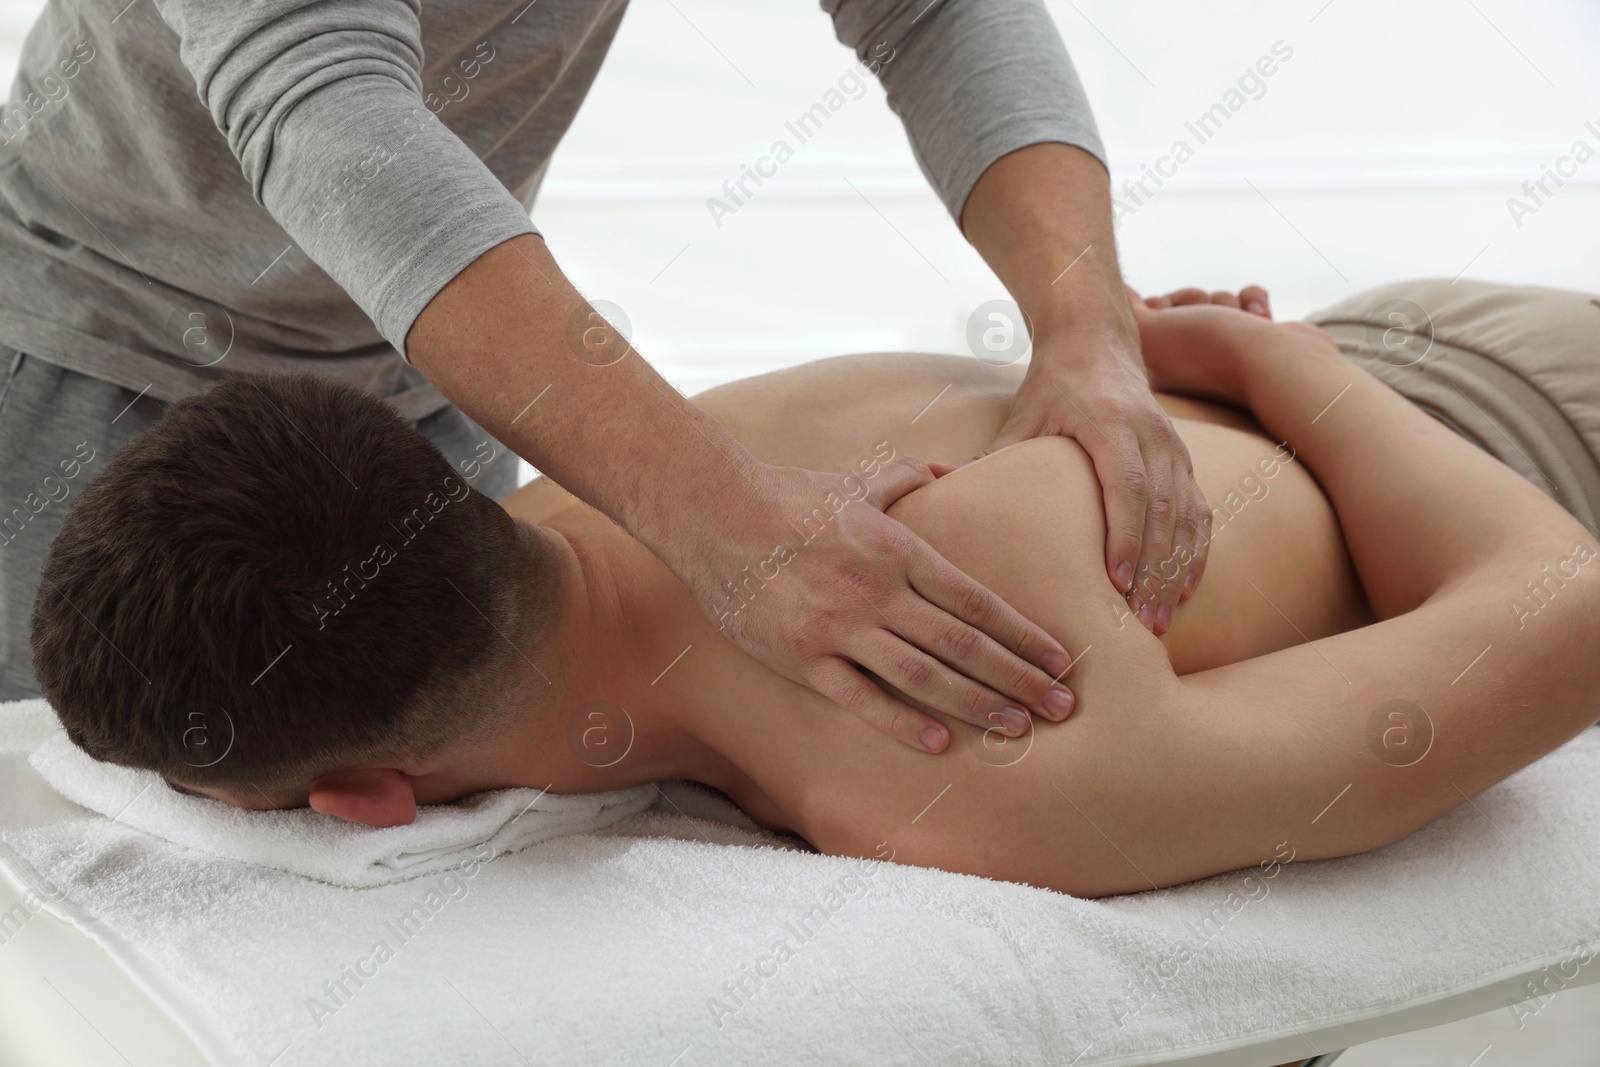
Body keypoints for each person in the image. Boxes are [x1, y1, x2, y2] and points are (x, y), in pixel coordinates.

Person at [31, 283, 1600, 897]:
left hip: (1540, 422)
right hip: (1369, 351)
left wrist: (1283, 360)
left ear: (370, 794)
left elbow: (1571, 602)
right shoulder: (608, 472)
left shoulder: (956, 750)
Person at [0, 0, 1214, 753]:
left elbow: (938, 9)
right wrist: (726, 522)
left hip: (423, 388)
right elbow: (323, 105)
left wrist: (1086, 323)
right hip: (82, 349)